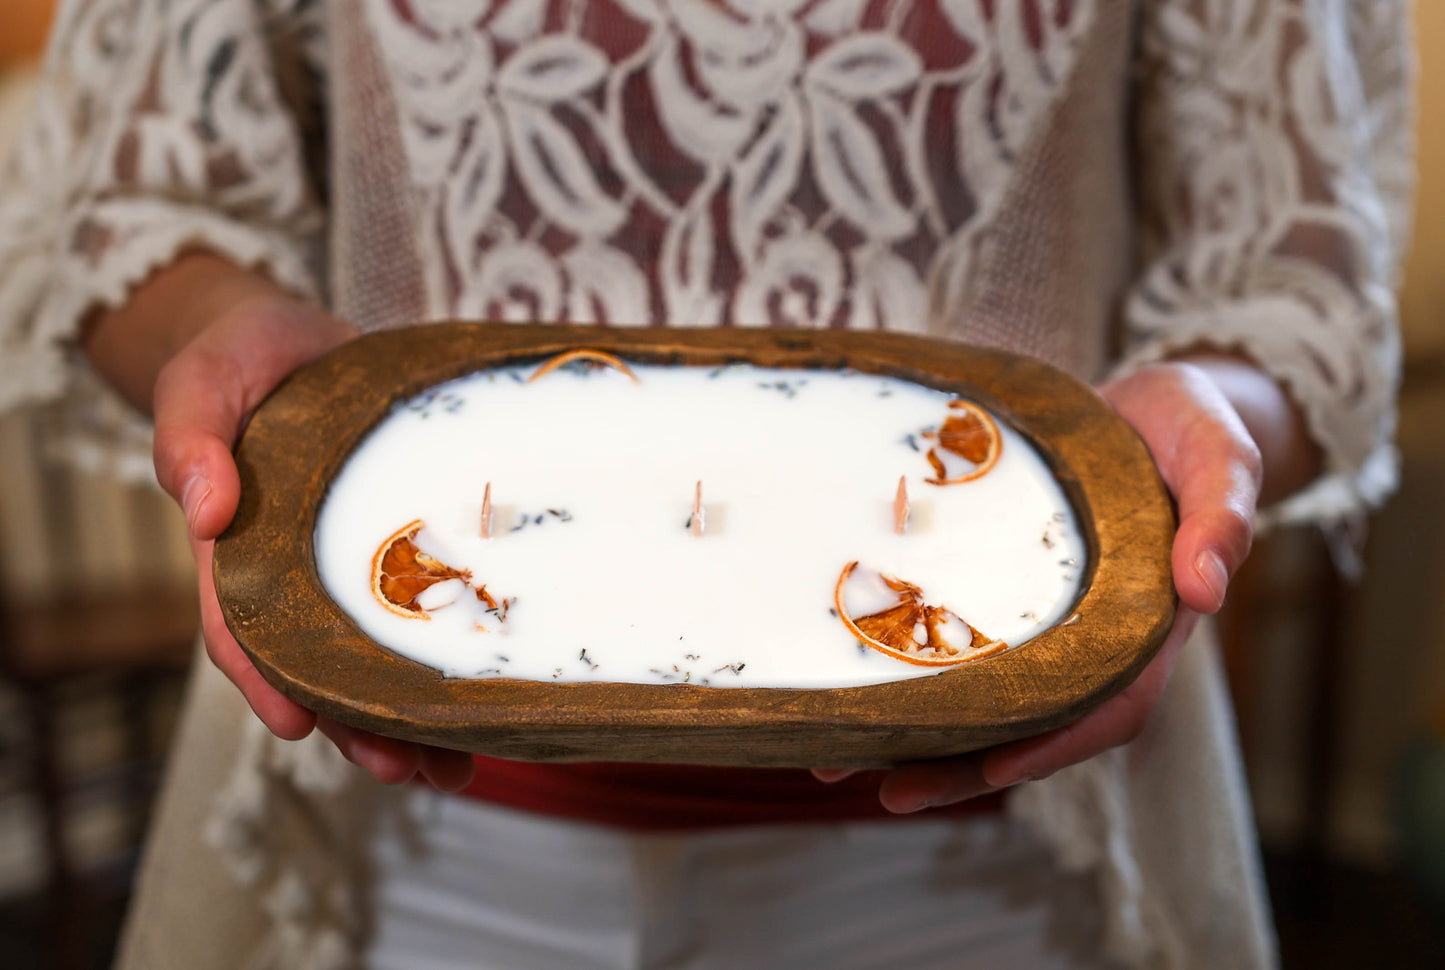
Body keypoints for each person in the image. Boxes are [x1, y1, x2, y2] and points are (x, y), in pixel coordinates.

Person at [0, 1, 1413, 967]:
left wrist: (1216, 413)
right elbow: (145, 206)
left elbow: (1283, 269)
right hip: (383, 855)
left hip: (1003, 867)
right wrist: (216, 335)